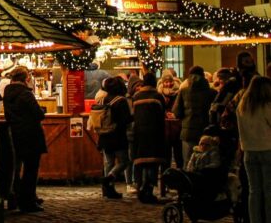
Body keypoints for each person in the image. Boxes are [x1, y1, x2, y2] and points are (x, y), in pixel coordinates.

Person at [3, 65, 47, 212]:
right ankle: (28, 201)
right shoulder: (26, 94)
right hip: (31, 134)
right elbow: (38, 114)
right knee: (31, 170)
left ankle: (20, 198)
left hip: (15, 133)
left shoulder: (7, 93)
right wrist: (42, 110)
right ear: (25, 78)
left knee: (18, 169)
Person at [236, 75, 271, 223]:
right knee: (268, 191)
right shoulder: (266, 106)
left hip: (249, 151)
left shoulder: (242, 107)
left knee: (253, 190)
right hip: (267, 149)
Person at [91, 76, 132, 199]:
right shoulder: (121, 100)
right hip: (118, 136)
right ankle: (109, 178)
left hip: (104, 136)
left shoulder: (103, 100)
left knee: (108, 162)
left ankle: (107, 190)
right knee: (124, 162)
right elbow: (125, 120)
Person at [131, 72, 166, 204]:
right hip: (154, 133)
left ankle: (140, 187)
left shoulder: (136, 97)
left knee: (141, 162)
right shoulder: (158, 96)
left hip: (139, 132)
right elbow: (162, 113)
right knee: (152, 162)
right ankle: (149, 188)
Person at [172, 66, 214, 168]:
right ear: (203, 76)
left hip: (188, 132)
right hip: (205, 131)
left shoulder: (183, 91)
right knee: (206, 161)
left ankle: (188, 182)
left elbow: (176, 112)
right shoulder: (211, 92)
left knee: (188, 161)